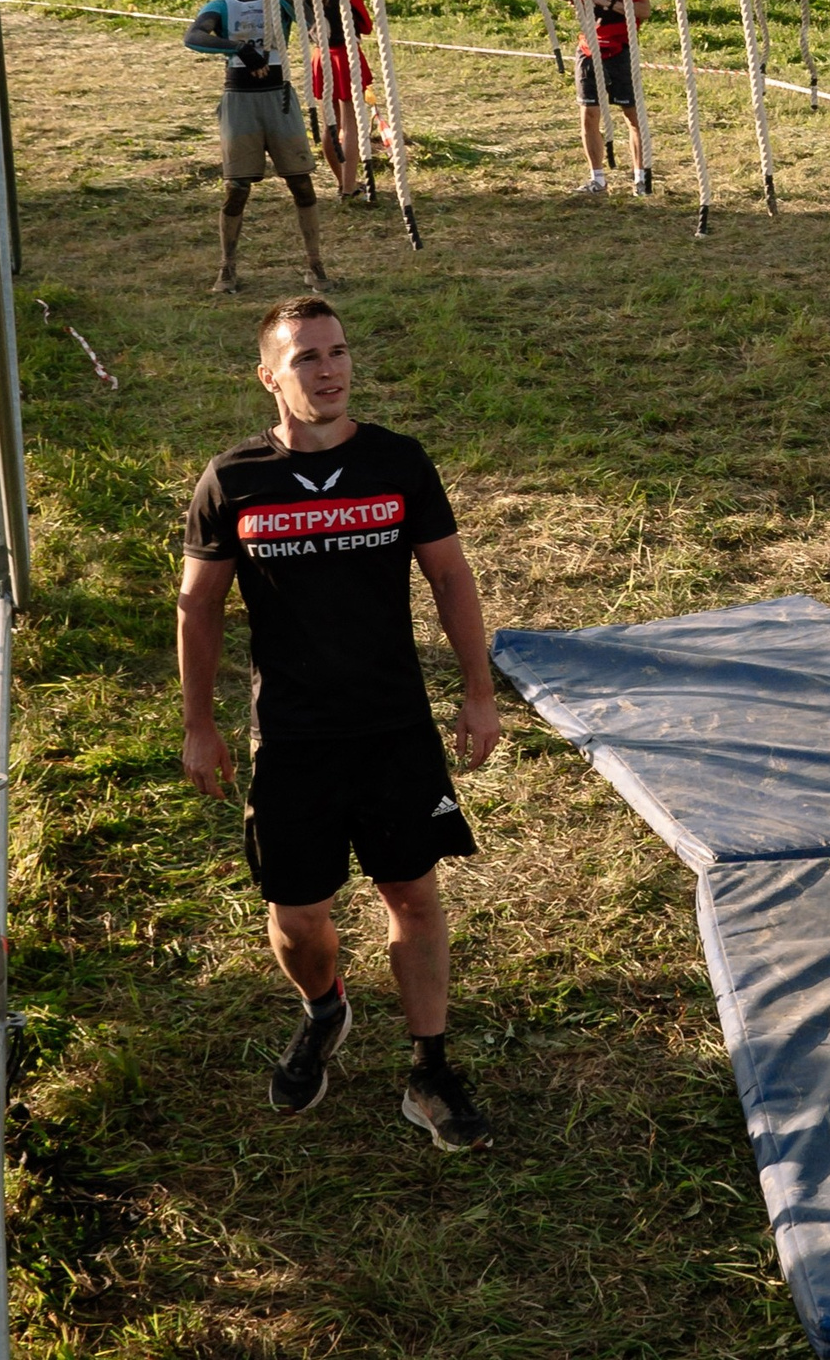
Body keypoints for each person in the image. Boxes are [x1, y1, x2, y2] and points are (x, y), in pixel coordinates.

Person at [179, 296, 500, 1151]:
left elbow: (451, 579)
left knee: (414, 894)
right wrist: (199, 724)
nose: (329, 371)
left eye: (338, 353)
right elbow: (198, 608)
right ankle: (325, 1007)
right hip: (290, 734)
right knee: (298, 914)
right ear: (269, 376)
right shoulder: (232, 479)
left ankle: (429, 1068)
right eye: (307, 359)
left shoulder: (398, 462)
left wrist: (478, 691)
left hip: (392, 727)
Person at [185, 0, 331, 296]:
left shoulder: (278, 1)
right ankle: (227, 268)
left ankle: (315, 265)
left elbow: (315, 26)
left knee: (301, 183)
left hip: (279, 98)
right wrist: (239, 48)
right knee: (236, 188)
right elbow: (193, 36)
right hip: (240, 101)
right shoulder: (222, 4)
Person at [568, 0, 650, 197]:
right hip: (588, 49)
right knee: (588, 116)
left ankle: (640, 178)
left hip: (620, 48)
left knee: (632, 116)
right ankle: (598, 179)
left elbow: (643, 11)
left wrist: (605, 2)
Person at [307, 0, 375, 203]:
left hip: (321, 57)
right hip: (345, 56)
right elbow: (366, 26)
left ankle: (341, 180)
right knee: (351, 122)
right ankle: (348, 187)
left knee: (330, 124)